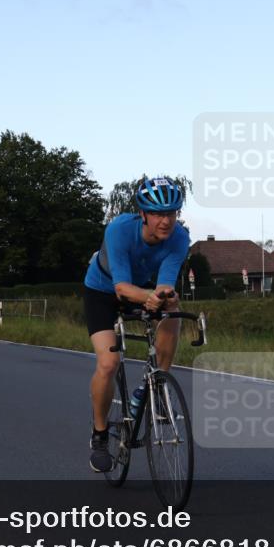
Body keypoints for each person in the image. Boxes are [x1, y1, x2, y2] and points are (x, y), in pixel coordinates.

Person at [82, 177, 190, 472]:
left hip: (140, 289)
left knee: (172, 306)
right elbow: (121, 287)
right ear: (142, 214)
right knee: (109, 363)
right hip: (103, 292)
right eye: (158, 214)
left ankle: (158, 383)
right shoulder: (119, 230)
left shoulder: (179, 238)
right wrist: (149, 297)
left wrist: (165, 296)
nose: (166, 221)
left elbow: (165, 284)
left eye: (171, 213)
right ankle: (100, 435)